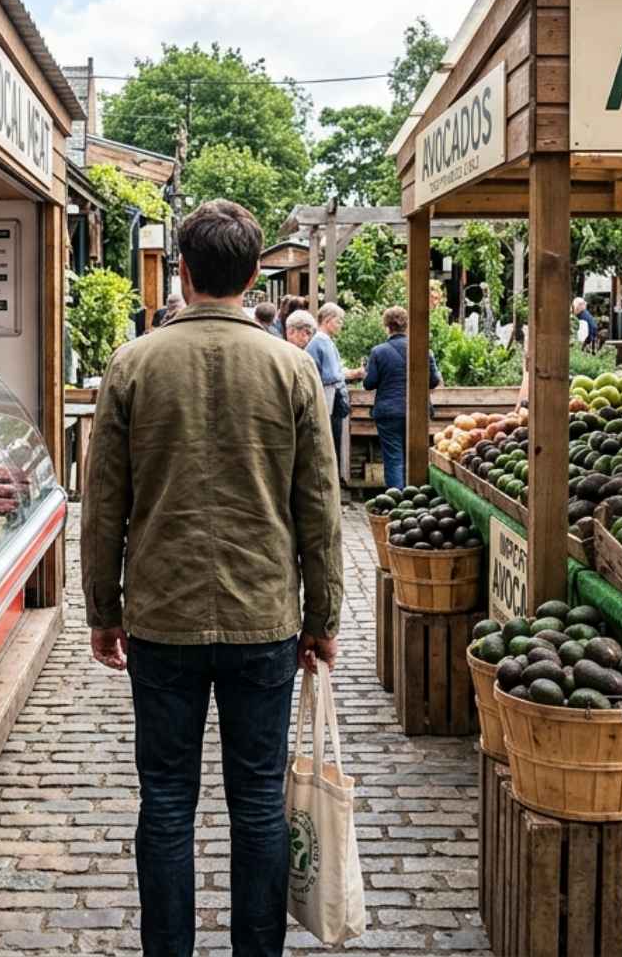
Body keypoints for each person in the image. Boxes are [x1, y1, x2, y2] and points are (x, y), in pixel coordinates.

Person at [81, 199, 341, 957]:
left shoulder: (133, 364)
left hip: (162, 614)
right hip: (264, 614)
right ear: (254, 274)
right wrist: (322, 617)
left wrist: (104, 609)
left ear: (183, 272)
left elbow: (104, 506)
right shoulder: (291, 367)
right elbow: (319, 508)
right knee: (259, 800)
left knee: (165, 800)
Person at [363, 306, 441, 490]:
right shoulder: (423, 350)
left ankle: (396, 503)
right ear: (407, 326)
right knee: (415, 458)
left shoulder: (378, 352)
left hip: (389, 413)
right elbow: (434, 380)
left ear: (387, 326)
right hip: (418, 412)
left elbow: (369, 383)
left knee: (393, 459)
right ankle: (416, 502)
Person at [308, 303, 360, 479]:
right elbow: (332, 376)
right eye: (339, 321)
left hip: (329, 398)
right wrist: (352, 373)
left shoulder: (322, 341)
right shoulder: (321, 342)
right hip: (329, 400)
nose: (340, 325)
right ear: (328, 320)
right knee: (331, 442)